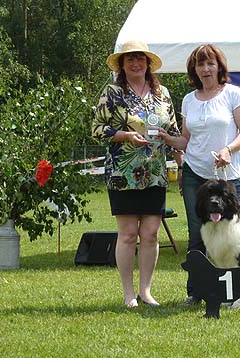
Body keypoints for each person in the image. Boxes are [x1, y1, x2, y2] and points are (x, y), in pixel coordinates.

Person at [158, 44, 240, 305]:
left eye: (210, 63)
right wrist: (169, 139)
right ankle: (195, 292)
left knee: (234, 235)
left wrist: (228, 149)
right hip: (194, 174)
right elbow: (186, 140)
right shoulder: (189, 100)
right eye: (201, 64)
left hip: (227, 176)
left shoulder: (233, 94)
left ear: (219, 67)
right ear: (194, 70)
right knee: (197, 233)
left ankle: (239, 292)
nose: (206, 69)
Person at [92, 40, 182, 308]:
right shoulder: (111, 92)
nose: (135, 63)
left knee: (152, 233)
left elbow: (174, 131)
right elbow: (97, 129)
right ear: (122, 64)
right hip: (123, 173)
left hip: (155, 173)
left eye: (140, 58)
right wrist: (124, 135)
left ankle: (146, 291)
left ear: (148, 63)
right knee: (129, 233)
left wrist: (181, 160)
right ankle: (128, 294)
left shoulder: (163, 93)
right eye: (129, 59)